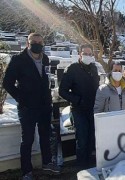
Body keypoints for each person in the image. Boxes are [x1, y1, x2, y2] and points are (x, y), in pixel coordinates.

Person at [3, 33, 60, 179]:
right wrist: (21, 99)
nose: (37, 44)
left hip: (44, 106)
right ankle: (27, 171)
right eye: (34, 41)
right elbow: (7, 83)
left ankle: (47, 163)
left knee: (45, 136)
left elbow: (47, 80)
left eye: (40, 42)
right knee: (27, 140)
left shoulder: (46, 59)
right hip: (27, 108)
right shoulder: (18, 60)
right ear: (28, 43)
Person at [59, 44, 100, 168]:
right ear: (79, 54)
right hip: (79, 110)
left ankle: (90, 165)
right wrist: (78, 100)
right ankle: (82, 168)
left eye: (90, 54)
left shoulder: (94, 68)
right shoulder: (72, 69)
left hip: (92, 110)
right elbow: (62, 91)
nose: (88, 56)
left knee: (91, 139)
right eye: (85, 53)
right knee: (82, 141)